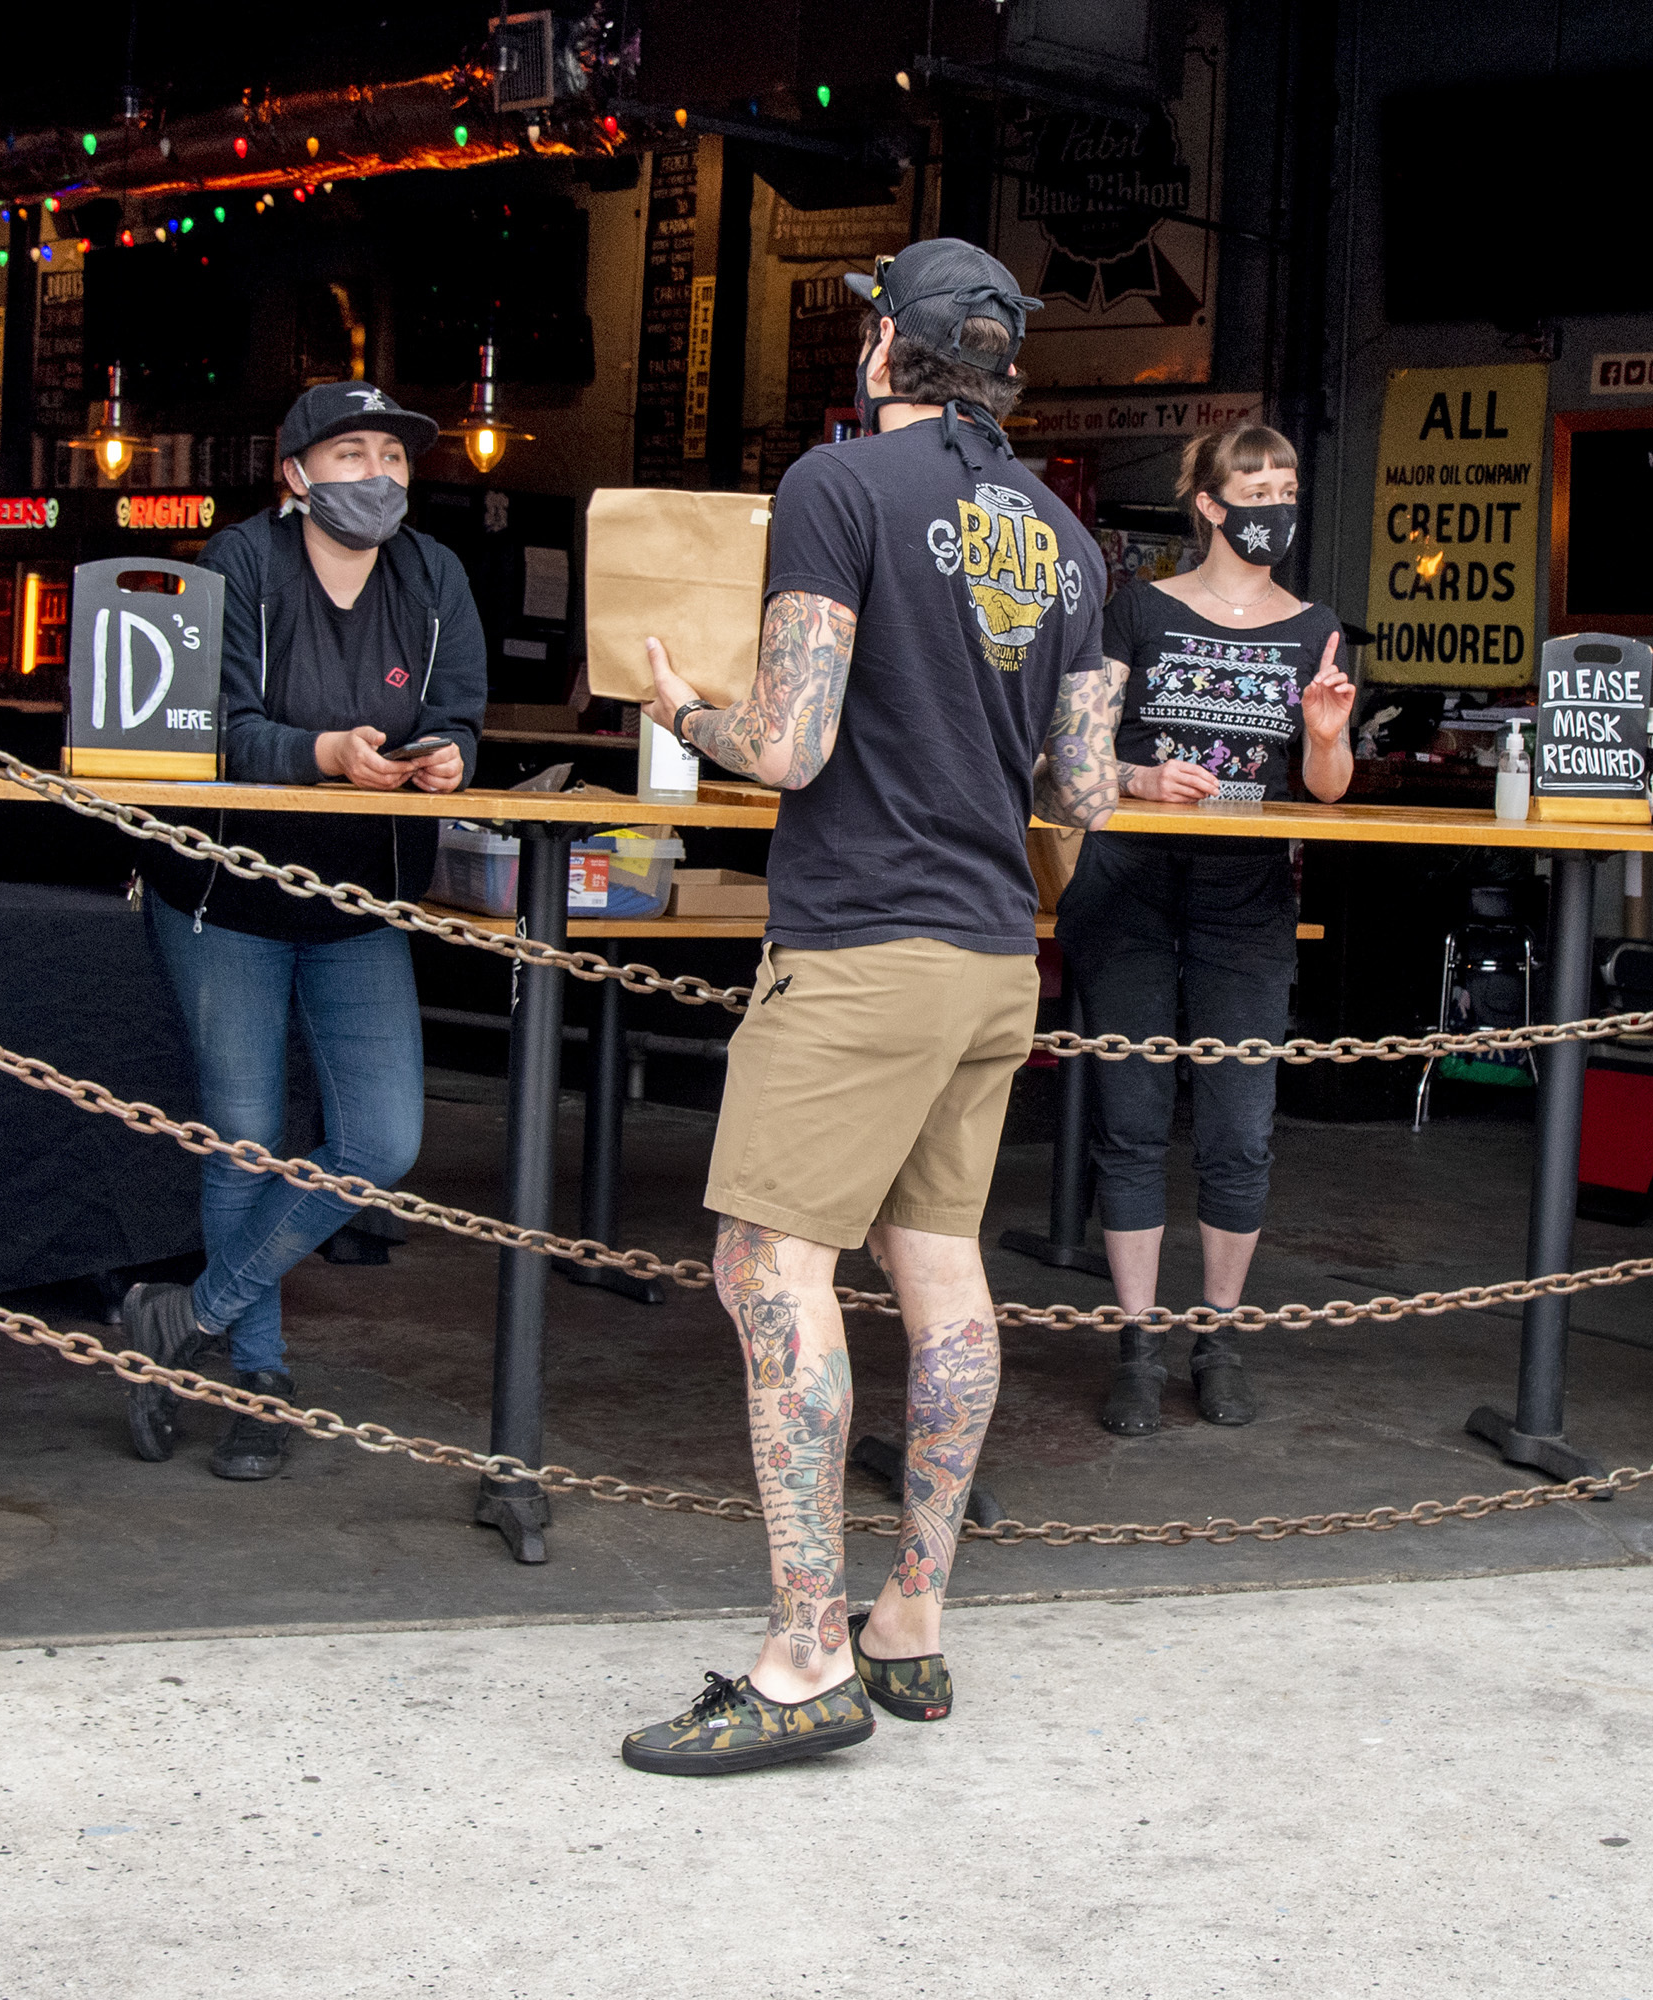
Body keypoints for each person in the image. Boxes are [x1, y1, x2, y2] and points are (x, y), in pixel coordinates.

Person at [619, 239, 1119, 1776]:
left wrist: (677, 707)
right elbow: (1086, 788)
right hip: (990, 956)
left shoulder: (838, 491)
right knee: (941, 1272)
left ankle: (802, 1654)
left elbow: (789, 744)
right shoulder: (1071, 543)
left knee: (769, 1270)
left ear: (888, 351)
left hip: (859, 950)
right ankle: (911, 1618)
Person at [118, 381, 484, 1483]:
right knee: (245, 1132)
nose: (377, 474)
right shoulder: (237, 565)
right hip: (225, 889)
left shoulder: (435, 576)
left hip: (360, 899)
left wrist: (449, 754)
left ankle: (181, 1316)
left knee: (382, 1142)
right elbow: (212, 726)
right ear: (294, 475)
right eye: (350, 454)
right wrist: (323, 755)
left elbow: (460, 707)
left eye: (393, 456)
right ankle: (259, 1374)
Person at [1061, 423, 1356, 1437]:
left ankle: (1218, 1336)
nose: (1276, 498)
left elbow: (1325, 789)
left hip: (1247, 898)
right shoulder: (1136, 608)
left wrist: (1323, 737)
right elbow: (1078, 749)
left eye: (1289, 481)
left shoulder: (1314, 626)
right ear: (1212, 504)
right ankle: (1137, 1343)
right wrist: (1141, 777)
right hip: (1129, 888)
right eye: (1256, 483)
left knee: (1239, 1128)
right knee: (1132, 1120)